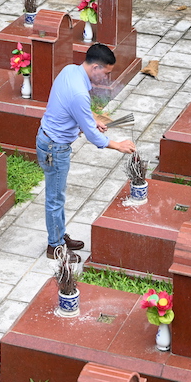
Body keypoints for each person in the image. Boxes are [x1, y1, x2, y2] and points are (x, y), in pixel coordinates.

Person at [36, 43, 136, 262]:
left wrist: (92, 119)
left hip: (48, 139)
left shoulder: (70, 70)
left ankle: (59, 235)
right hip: (55, 148)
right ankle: (55, 246)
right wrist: (118, 145)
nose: (106, 78)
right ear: (96, 67)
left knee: (57, 195)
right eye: (106, 73)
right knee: (55, 198)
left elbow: (74, 108)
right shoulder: (79, 93)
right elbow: (92, 135)